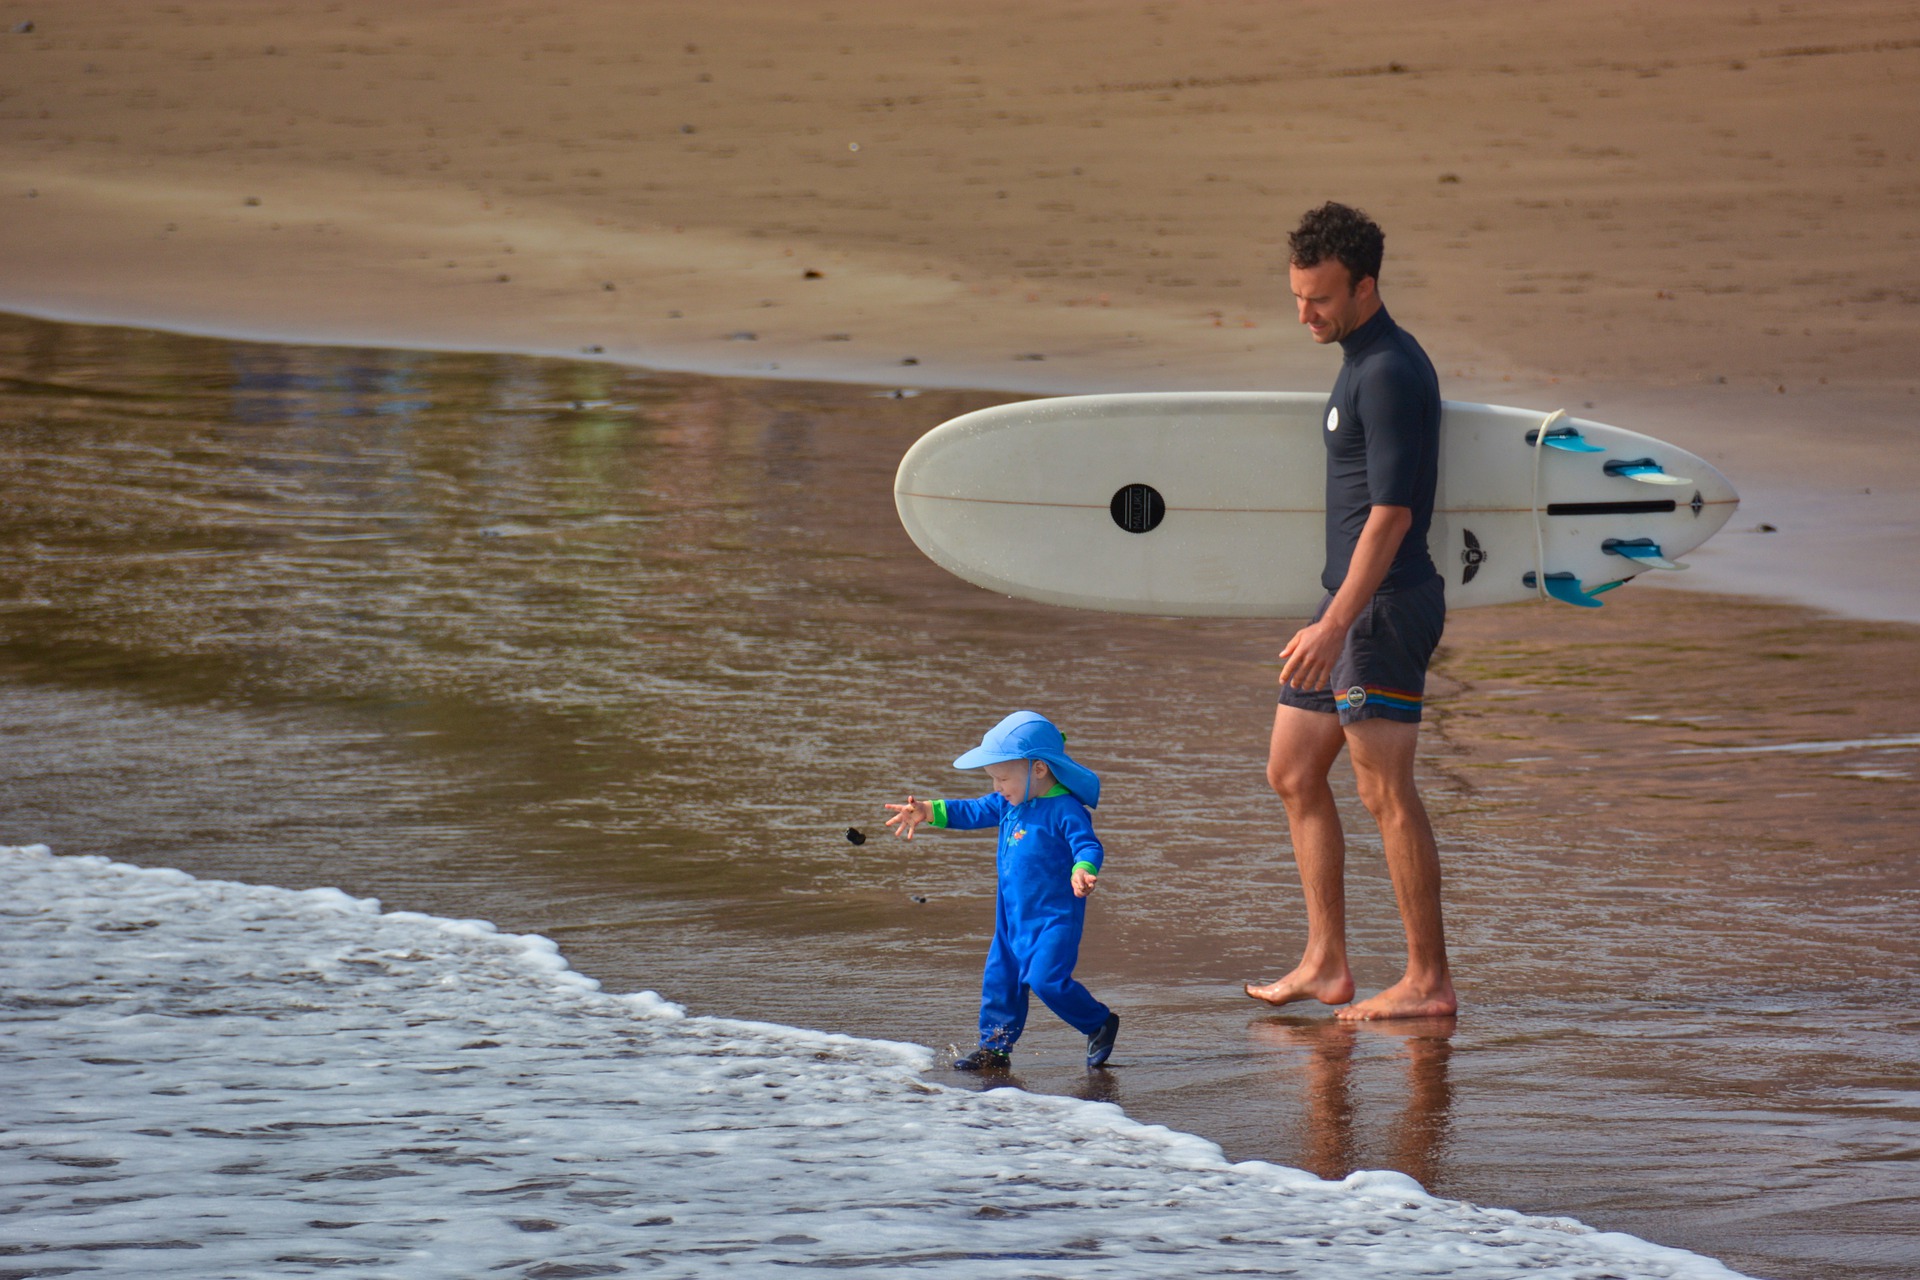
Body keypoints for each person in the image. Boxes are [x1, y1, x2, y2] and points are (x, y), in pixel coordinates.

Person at [1244, 201, 1458, 1022]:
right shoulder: (1356, 360)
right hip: (1342, 611)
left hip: (1381, 611)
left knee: (1387, 796)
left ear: (1364, 287)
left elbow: (1392, 514)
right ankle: (1327, 962)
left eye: (1320, 299)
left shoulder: (1391, 371)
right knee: (1293, 772)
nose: (1304, 313)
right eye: (1297, 296)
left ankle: (1427, 980)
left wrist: (1336, 623)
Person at [885, 710, 1121, 1071]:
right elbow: (973, 810)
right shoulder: (1010, 803)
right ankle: (994, 1048)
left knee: (1046, 980)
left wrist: (1083, 870)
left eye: (1002, 778)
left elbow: (1088, 846)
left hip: (1053, 919)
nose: (997, 787)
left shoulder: (1065, 809)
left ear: (1038, 769)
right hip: (1011, 918)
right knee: (1001, 980)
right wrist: (927, 810)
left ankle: (1098, 1022)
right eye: (994, 779)